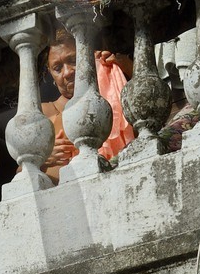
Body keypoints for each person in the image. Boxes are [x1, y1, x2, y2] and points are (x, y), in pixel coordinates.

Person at [40, 30, 134, 180]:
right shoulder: (45, 111)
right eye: (57, 68)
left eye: (73, 61)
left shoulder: (110, 95)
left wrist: (123, 70)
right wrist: (42, 158)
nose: (67, 72)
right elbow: (21, 171)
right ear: (50, 73)